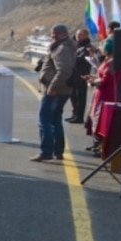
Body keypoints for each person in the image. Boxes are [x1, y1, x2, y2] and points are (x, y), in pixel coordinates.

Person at [33, 23, 75, 162]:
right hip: (62, 90)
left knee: (45, 120)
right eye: (52, 33)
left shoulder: (62, 48)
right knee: (56, 120)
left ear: (63, 34)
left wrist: (52, 86)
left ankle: (46, 151)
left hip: (56, 91)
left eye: (55, 33)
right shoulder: (64, 46)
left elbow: (64, 71)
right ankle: (57, 151)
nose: (53, 36)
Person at [83, 39, 117, 156]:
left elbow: (106, 80)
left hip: (106, 95)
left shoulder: (113, 63)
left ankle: (104, 148)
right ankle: (99, 145)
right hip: (100, 93)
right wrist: (93, 77)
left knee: (103, 120)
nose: (100, 49)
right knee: (97, 118)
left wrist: (94, 81)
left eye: (102, 47)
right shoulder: (107, 61)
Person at [66, 28, 97, 124]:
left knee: (80, 96)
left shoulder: (87, 47)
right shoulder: (74, 45)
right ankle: (74, 114)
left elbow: (81, 59)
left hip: (81, 74)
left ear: (86, 36)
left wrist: (70, 58)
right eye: (77, 34)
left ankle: (79, 116)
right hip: (72, 73)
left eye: (81, 35)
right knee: (73, 95)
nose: (78, 37)